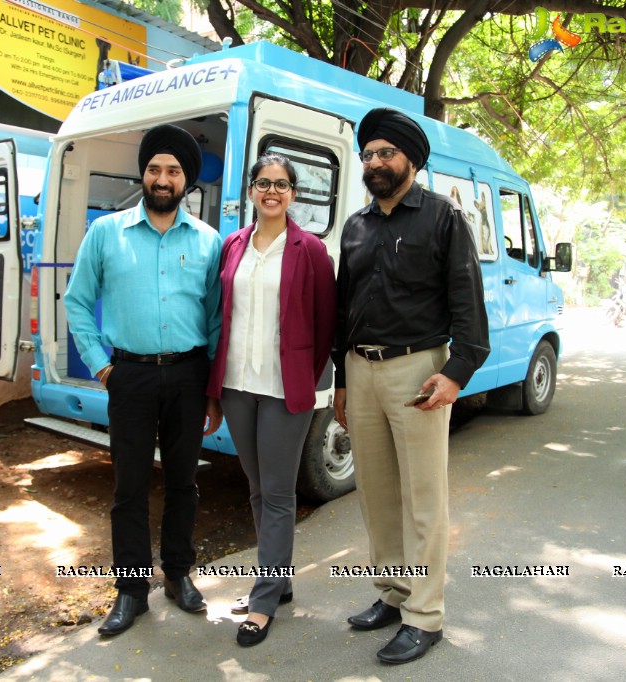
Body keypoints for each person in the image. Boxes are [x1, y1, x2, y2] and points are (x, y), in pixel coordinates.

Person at [332, 108, 490, 665]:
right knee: (376, 494)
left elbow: (468, 302)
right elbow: (342, 306)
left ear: (411, 161)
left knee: (423, 497)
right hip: (360, 367)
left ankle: (425, 615)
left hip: (418, 369)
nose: (375, 162)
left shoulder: (443, 219)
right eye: (369, 154)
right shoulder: (356, 225)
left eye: (386, 154)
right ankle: (394, 594)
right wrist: (341, 380)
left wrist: (457, 372)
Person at [64, 124, 223, 637]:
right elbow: (77, 301)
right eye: (155, 168)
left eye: (173, 170)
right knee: (128, 487)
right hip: (128, 375)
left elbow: (217, 319)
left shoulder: (208, 242)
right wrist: (101, 364)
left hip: (188, 374)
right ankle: (132, 591)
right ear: (144, 174)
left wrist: (213, 388)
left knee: (183, 483)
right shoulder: (106, 233)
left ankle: (179, 575)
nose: (162, 178)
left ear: (186, 181)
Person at [207, 153, 336, 647]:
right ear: (252, 190)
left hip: (285, 390)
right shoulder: (233, 245)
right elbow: (221, 316)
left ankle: (263, 602)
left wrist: (306, 375)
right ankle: (276, 581)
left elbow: (326, 323)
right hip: (237, 385)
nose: (272, 191)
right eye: (264, 183)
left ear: (293, 194)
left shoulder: (310, 250)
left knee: (279, 494)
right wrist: (213, 390)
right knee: (257, 488)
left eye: (281, 184)